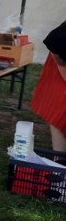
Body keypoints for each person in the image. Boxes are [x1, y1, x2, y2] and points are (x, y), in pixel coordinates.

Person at [30, 21, 66, 152]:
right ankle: (59, 159)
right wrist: (62, 68)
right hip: (60, 59)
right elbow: (55, 41)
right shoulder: (61, 37)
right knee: (60, 106)